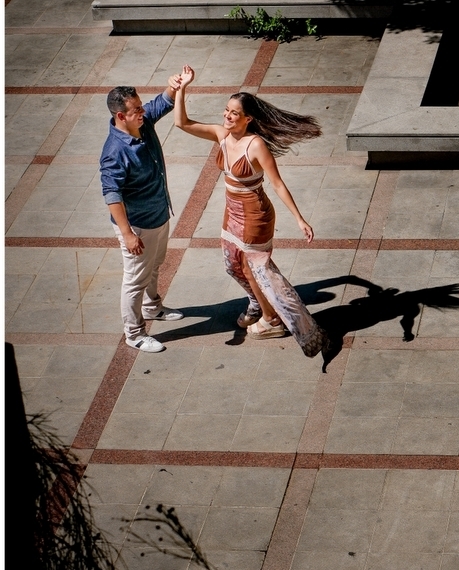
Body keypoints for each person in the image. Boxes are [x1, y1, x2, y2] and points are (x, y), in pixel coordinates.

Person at [173, 64, 327, 357]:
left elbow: (278, 184)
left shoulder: (255, 146)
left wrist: (299, 219)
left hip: (255, 213)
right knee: (233, 263)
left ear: (247, 119)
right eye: (226, 110)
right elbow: (182, 123)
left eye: (233, 113)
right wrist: (182, 88)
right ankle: (259, 303)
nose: (226, 116)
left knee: (254, 266)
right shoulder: (221, 134)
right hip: (232, 210)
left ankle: (273, 320)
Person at [100, 78, 185, 353]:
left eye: (140, 105)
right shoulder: (115, 152)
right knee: (135, 280)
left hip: (159, 213)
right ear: (120, 115)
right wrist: (127, 235)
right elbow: (112, 195)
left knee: (155, 264)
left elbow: (162, 103)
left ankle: (152, 308)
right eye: (137, 109)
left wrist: (175, 84)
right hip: (138, 226)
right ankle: (134, 334)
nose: (143, 111)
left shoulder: (142, 123)